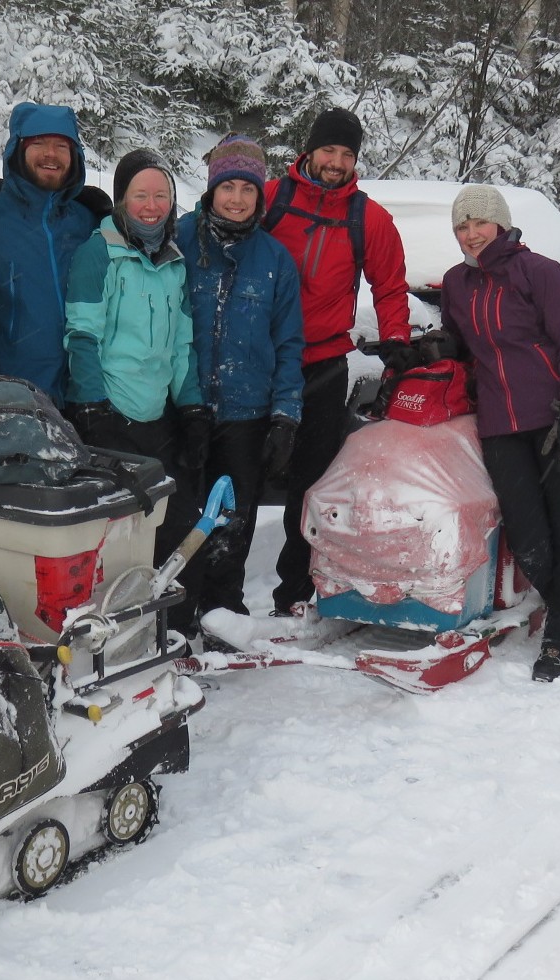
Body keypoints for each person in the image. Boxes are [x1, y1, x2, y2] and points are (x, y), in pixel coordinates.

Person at [439, 184, 560, 682]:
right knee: (527, 534)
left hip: (559, 418)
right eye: (462, 226)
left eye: (479, 223)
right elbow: (460, 347)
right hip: (501, 426)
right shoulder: (456, 283)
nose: (471, 234)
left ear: (501, 224)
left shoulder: (540, 272)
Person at [263, 107, 412, 615]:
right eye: (329, 150)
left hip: (324, 364)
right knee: (239, 478)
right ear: (309, 150)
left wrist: (396, 341)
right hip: (261, 361)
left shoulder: (368, 218)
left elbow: (389, 286)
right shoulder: (271, 199)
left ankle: (293, 594)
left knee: (310, 487)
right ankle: (218, 595)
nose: (336, 162)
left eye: (347, 154)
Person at [63, 147, 203, 627]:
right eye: (140, 195)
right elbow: (82, 334)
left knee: (174, 525)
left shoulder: (175, 262)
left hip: (157, 418)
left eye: (161, 195)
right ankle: (112, 631)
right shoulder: (98, 253)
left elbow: (182, 345)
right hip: (110, 417)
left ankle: (171, 628)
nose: (151, 206)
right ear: (122, 198)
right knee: (118, 539)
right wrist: (91, 405)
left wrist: (191, 409)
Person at [174, 133, 304, 618]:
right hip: (181, 408)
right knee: (179, 518)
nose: (236, 198)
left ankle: (222, 612)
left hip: (245, 414)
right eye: (228, 186)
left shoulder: (274, 259)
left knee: (232, 521)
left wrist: (285, 415)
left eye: (248, 189)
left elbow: (288, 342)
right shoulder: (179, 240)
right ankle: (177, 614)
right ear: (212, 190)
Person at [0, 102, 112, 407]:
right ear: (18, 150)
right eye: (38, 143)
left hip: (83, 396)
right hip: (12, 397)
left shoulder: (88, 222)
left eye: (61, 146)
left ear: (75, 156)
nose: (51, 154)